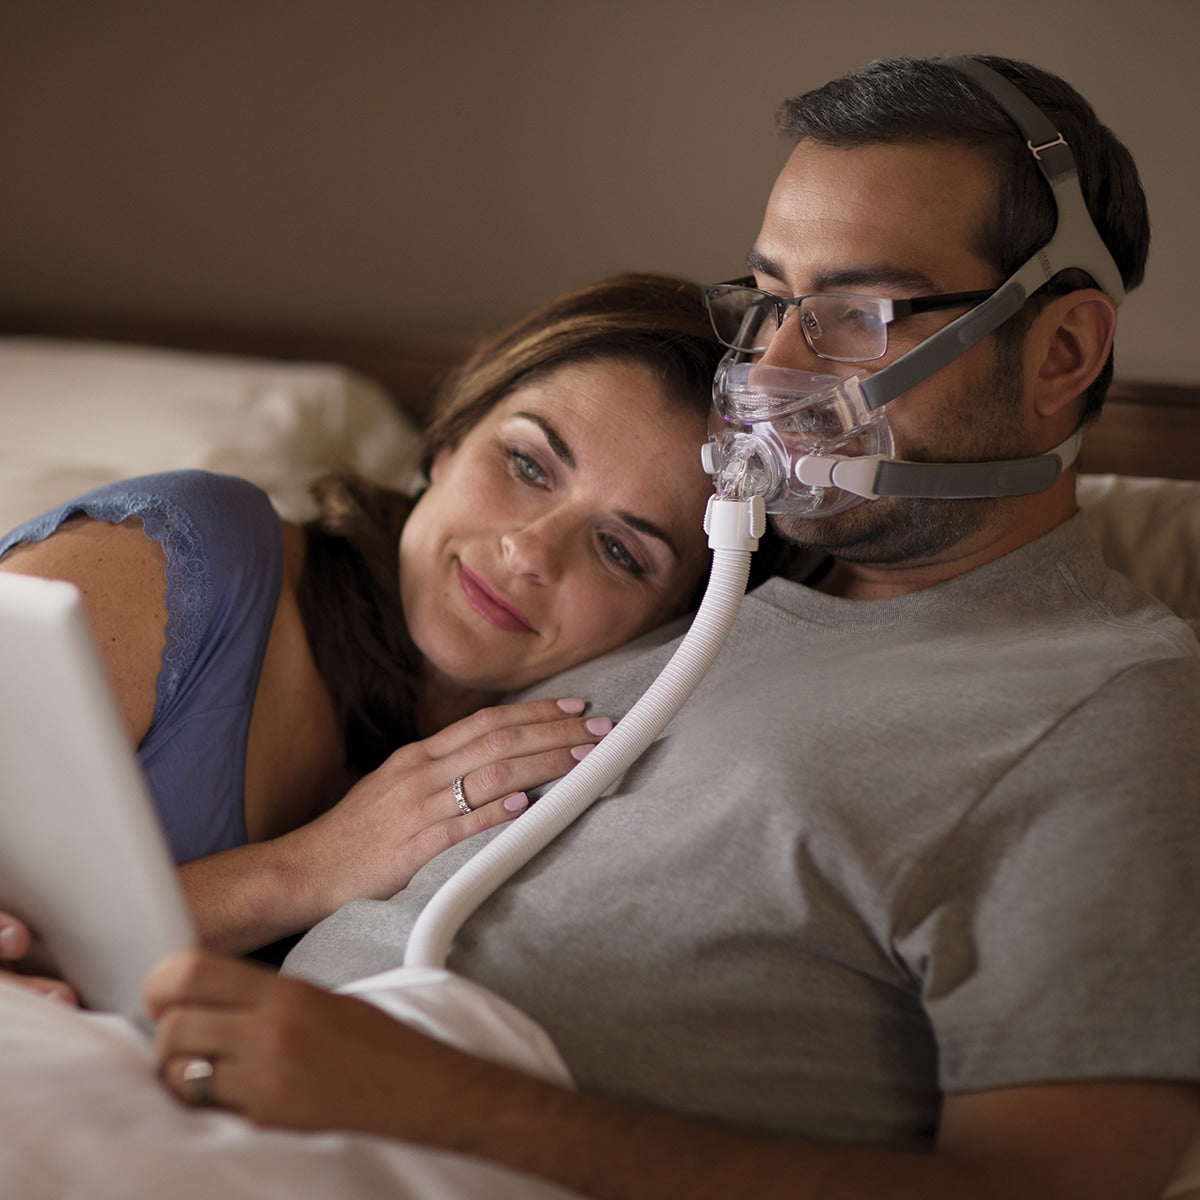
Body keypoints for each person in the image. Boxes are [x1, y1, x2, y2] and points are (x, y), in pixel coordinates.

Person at [3, 52, 1200, 1200]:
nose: (772, 372)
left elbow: (1051, 1187)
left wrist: (452, 1107)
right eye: (770, 302)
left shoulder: (1103, 710)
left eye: (856, 313)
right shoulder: (701, 607)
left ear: (1061, 351)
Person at [0, 273, 734, 958]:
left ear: (676, 618)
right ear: (448, 444)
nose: (531, 552)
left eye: (619, 551)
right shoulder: (181, 559)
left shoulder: (564, 773)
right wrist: (306, 869)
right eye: (527, 465)